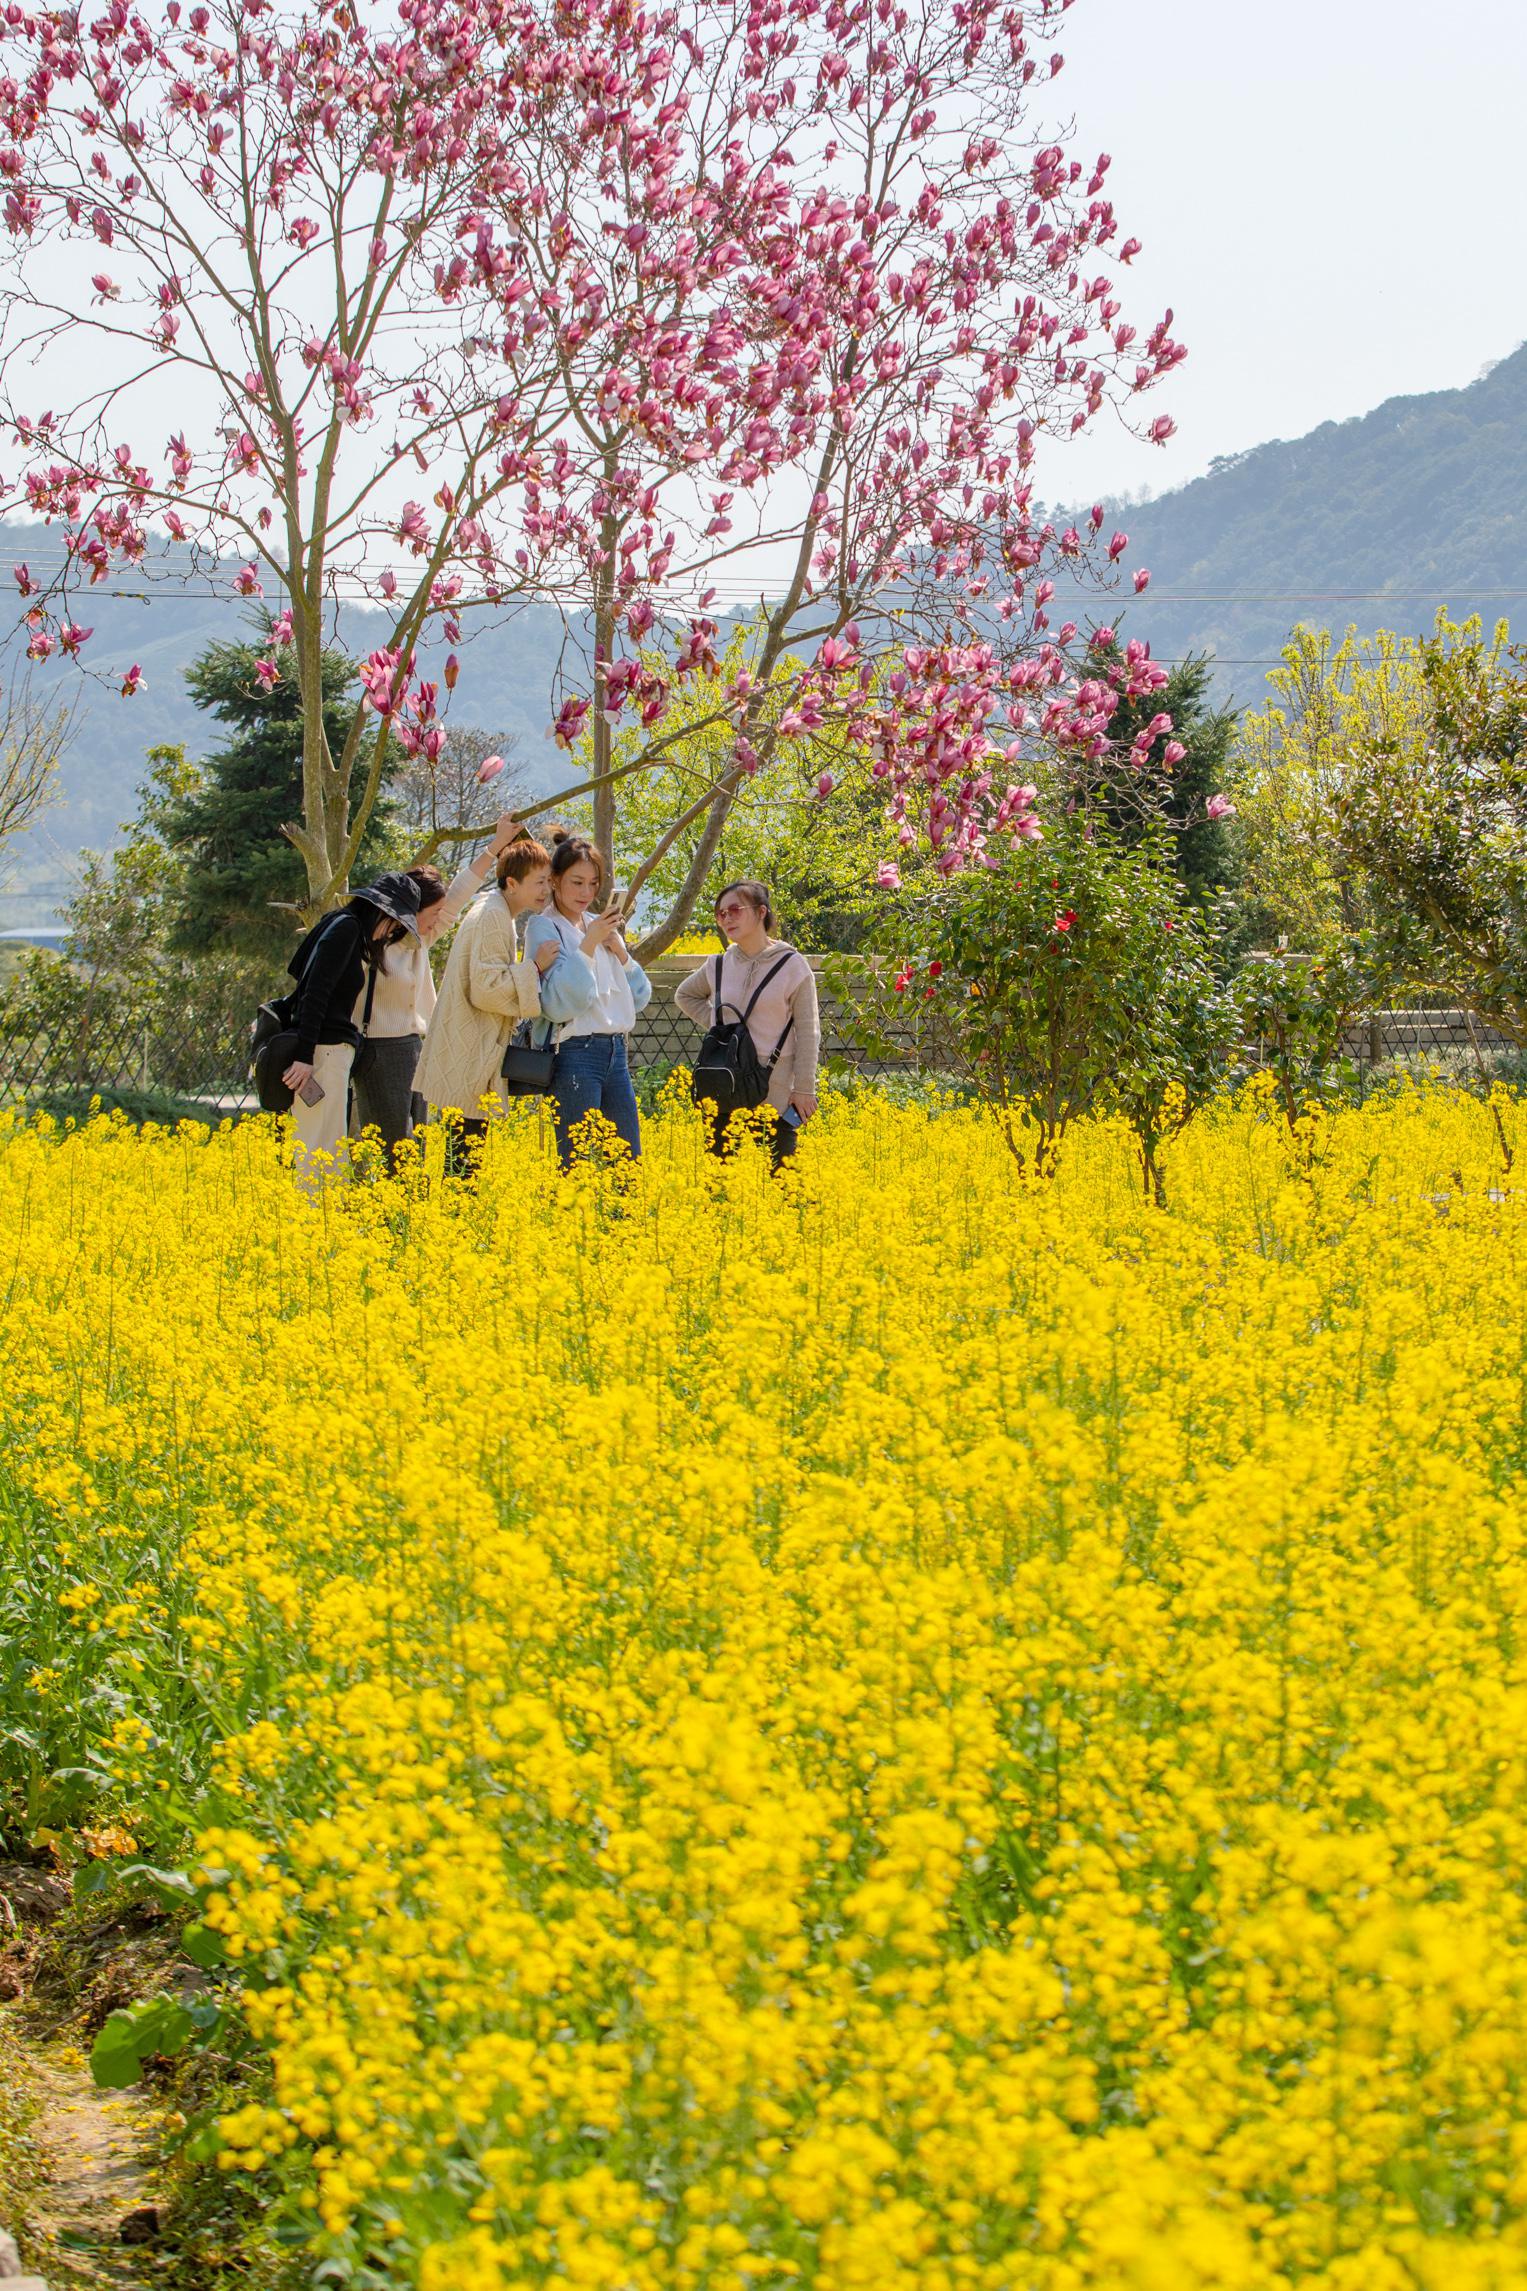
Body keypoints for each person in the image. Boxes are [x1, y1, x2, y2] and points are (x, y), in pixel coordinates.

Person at [349, 813, 527, 1159]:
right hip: (378, 1052)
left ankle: (410, 1209)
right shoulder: (368, 946)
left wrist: (495, 846)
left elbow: (459, 894)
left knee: (416, 1144)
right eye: (434, 912)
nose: (440, 919)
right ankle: (390, 1209)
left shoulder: (419, 940)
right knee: (393, 1146)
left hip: (415, 1047)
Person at [414, 831, 569, 1157]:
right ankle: (456, 1208)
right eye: (539, 882)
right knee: (466, 1153)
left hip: (469, 1045)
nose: (546, 890)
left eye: (548, 881)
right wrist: (535, 969)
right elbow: (486, 990)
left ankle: (456, 1207)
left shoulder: (494, 910)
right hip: (472, 1049)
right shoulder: (494, 917)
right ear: (512, 883)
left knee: (463, 1149)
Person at [282, 872, 425, 1188]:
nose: (391, 932)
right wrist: (305, 1057)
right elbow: (314, 993)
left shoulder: (336, 922)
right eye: (394, 924)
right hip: (324, 1053)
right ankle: (316, 1224)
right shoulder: (347, 929)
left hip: (325, 1051)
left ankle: (320, 1222)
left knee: (321, 1145)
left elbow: (299, 970)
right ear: (382, 912)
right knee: (323, 1148)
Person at [522, 830, 651, 1165]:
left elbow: (639, 998)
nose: (586, 892)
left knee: (627, 1162)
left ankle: (623, 1220)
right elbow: (559, 1003)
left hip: (617, 1052)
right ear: (554, 880)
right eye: (576, 882)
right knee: (577, 1163)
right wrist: (589, 944)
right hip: (574, 1053)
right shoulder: (542, 927)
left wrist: (622, 954)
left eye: (593, 884)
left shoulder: (598, 924)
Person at [675, 879, 820, 1168]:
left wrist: (804, 1088)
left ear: (761, 912)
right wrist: (723, 1028)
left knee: (785, 1180)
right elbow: (685, 995)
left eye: (735, 910)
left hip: (773, 1087)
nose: (726, 918)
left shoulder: (792, 965)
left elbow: (808, 1029)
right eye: (720, 913)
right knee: (720, 1178)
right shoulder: (717, 964)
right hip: (725, 1082)